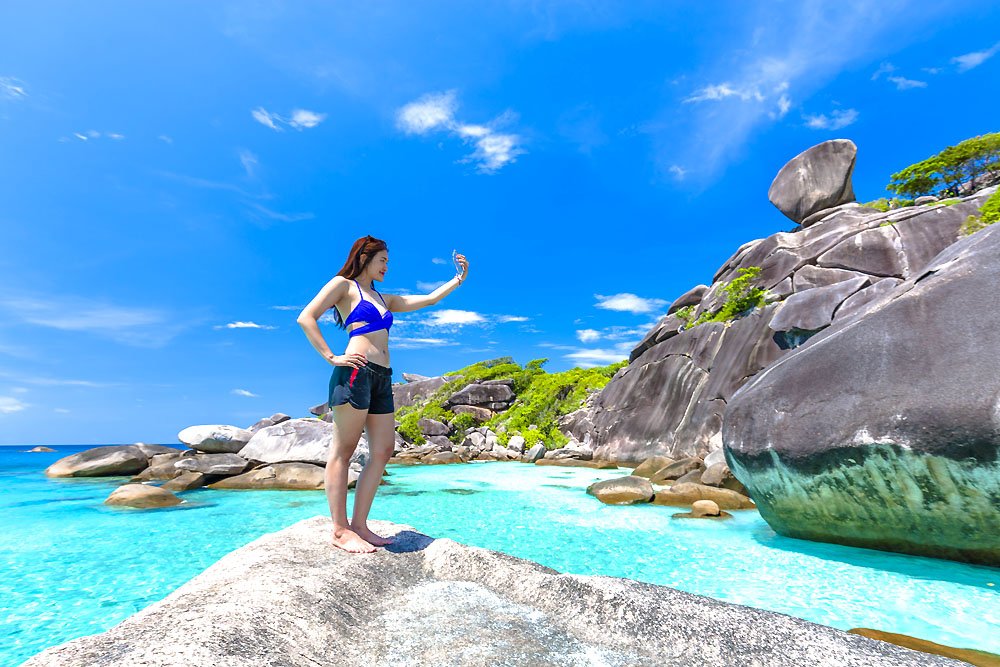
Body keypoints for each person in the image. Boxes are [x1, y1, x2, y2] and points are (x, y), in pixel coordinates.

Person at [296, 235, 469, 553]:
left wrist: (458, 279)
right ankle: (339, 529)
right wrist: (332, 357)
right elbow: (306, 317)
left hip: (382, 377)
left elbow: (429, 300)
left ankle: (359, 525)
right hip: (354, 373)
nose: (387, 266)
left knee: (383, 450)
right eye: (383, 260)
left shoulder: (383, 298)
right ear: (364, 256)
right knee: (343, 451)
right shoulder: (343, 286)